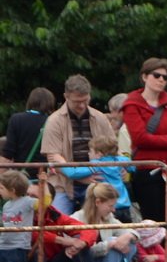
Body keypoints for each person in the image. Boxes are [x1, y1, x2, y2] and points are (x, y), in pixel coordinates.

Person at [41, 75, 117, 215]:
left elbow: (113, 149)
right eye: (77, 101)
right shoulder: (54, 121)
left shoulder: (100, 118)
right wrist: (78, 177)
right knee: (57, 222)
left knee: (106, 222)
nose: (82, 105)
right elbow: (53, 156)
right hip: (63, 184)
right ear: (66, 96)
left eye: (85, 100)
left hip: (98, 182)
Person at [122, 58, 167, 221]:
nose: (161, 80)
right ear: (144, 77)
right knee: (152, 222)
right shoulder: (132, 104)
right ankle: (155, 248)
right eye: (156, 75)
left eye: (165, 77)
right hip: (147, 170)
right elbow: (140, 138)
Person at [70, 183, 137, 262]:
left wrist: (128, 235)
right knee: (113, 244)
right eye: (110, 206)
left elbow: (132, 231)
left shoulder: (108, 218)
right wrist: (110, 244)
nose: (113, 210)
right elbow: (85, 250)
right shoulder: (77, 218)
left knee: (128, 243)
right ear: (98, 202)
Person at [58, 135, 134, 223]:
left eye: (90, 151)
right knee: (126, 228)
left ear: (98, 154)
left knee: (108, 229)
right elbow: (132, 167)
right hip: (124, 204)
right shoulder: (120, 161)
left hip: (108, 207)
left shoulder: (97, 164)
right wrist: (126, 168)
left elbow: (73, 173)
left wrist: (62, 163)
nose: (88, 153)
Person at [0, 171, 34, 262]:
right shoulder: (7, 205)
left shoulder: (27, 201)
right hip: (2, 247)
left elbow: (45, 202)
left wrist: (42, 187)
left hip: (17, 247)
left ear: (12, 190)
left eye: (1, 188)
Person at [1, 87, 55, 168]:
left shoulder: (16, 119)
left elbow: (8, 153)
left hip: (22, 176)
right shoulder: (53, 121)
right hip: (45, 175)